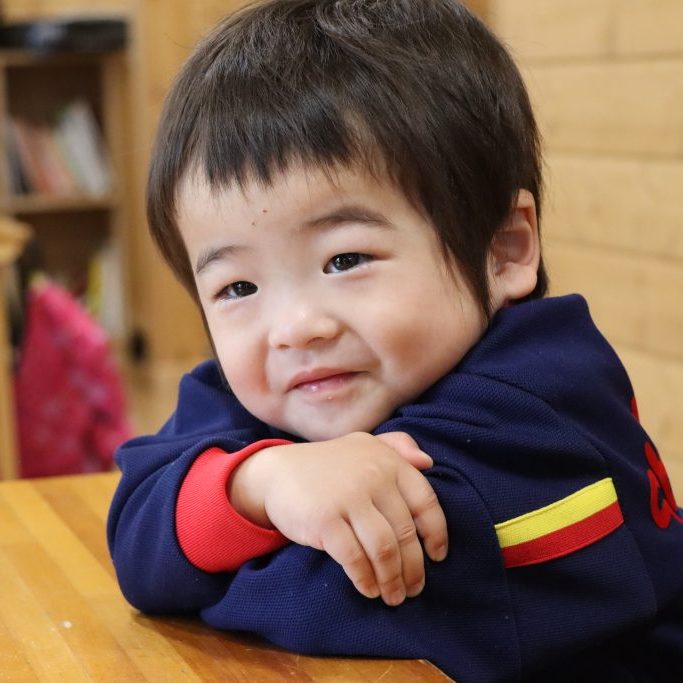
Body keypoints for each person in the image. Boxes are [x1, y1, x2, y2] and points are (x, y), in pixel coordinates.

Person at [107, 1, 683, 680]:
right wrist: (259, 484)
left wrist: (207, 551)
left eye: (345, 260)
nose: (294, 328)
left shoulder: (539, 405)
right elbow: (135, 526)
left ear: (503, 249)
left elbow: (337, 600)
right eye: (238, 287)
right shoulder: (286, 379)